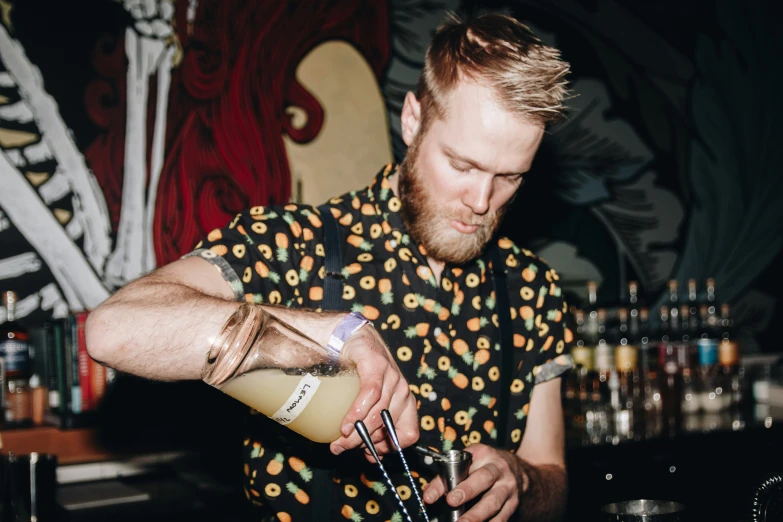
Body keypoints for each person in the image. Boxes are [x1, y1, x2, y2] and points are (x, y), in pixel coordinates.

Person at [86, 11, 573, 522]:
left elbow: (553, 480)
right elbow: (114, 330)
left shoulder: (531, 288)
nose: (481, 201)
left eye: (510, 177)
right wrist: (334, 333)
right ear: (413, 119)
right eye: (461, 165)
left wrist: (520, 478)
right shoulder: (293, 244)